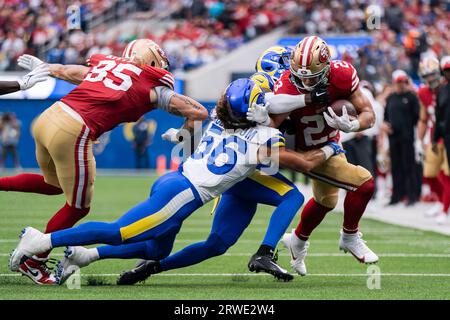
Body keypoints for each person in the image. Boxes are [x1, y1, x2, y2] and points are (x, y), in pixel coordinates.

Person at [9, 78, 344, 285]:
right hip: (183, 194)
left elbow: (205, 114)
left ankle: (85, 255)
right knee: (118, 231)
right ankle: (42, 240)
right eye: (263, 99)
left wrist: (183, 133)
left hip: (175, 181)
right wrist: (332, 144)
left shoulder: (219, 115)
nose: (270, 100)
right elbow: (305, 162)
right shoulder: (264, 137)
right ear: (256, 110)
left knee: (155, 248)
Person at [117, 46, 332, 284]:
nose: (293, 72)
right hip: (235, 166)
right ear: (275, 66)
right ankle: (265, 253)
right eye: (287, 64)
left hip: (239, 170)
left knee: (218, 243)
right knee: (292, 196)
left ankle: (150, 268)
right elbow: (270, 113)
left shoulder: (257, 89)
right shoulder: (260, 84)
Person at [0, 39, 209, 285]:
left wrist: (49, 66)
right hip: (74, 129)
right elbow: (198, 112)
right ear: (152, 61)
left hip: (48, 118)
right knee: (78, 207)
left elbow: (70, 72)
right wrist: (182, 135)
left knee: (54, 184)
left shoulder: (106, 65)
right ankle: (34, 260)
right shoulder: (153, 86)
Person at [247, 36, 378, 276]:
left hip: (329, 142)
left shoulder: (342, 74)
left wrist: (353, 125)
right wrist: (263, 120)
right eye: (300, 75)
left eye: (312, 77)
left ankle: (297, 240)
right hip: (306, 150)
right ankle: (349, 236)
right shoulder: (287, 84)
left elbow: (369, 114)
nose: (305, 82)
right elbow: (272, 124)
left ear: (327, 69)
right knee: (364, 183)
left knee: (326, 201)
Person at [416, 57, 450, 222]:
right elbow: (423, 118)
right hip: (433, 136)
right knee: (430, 173)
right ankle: (440, 201)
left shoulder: (446, 88)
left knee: (445, 174)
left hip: (446, 135)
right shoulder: (423, 92)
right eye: (427, 75)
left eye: (433, 74)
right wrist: (419, 140)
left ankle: (445, 208)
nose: (431, 78)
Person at [384, 70, 420, 206]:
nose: (401, 85)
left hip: (407, 137)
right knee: (395, 167)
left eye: (403, 82)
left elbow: (417, 118)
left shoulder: (411, 97)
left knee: (408, 166)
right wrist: (386, 125)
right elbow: (386, 117)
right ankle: (396, 196)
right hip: (393, 137)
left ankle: (411, 196)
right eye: (398, 83)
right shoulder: (391, 98)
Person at [432, 56, 450, 224]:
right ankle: (445, 208)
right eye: (447, 70)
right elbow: (439, 116)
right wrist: (435, 139)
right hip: (447, 136)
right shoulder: (443, 90)